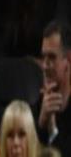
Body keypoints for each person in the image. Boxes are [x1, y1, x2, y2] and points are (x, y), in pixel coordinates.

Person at [37, 20, 71, 155]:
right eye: (43, 57)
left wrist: (52, 129)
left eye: (51, 57)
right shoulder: (37, 105)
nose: (45, 65)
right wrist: (41, 124)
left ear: (68, 59)